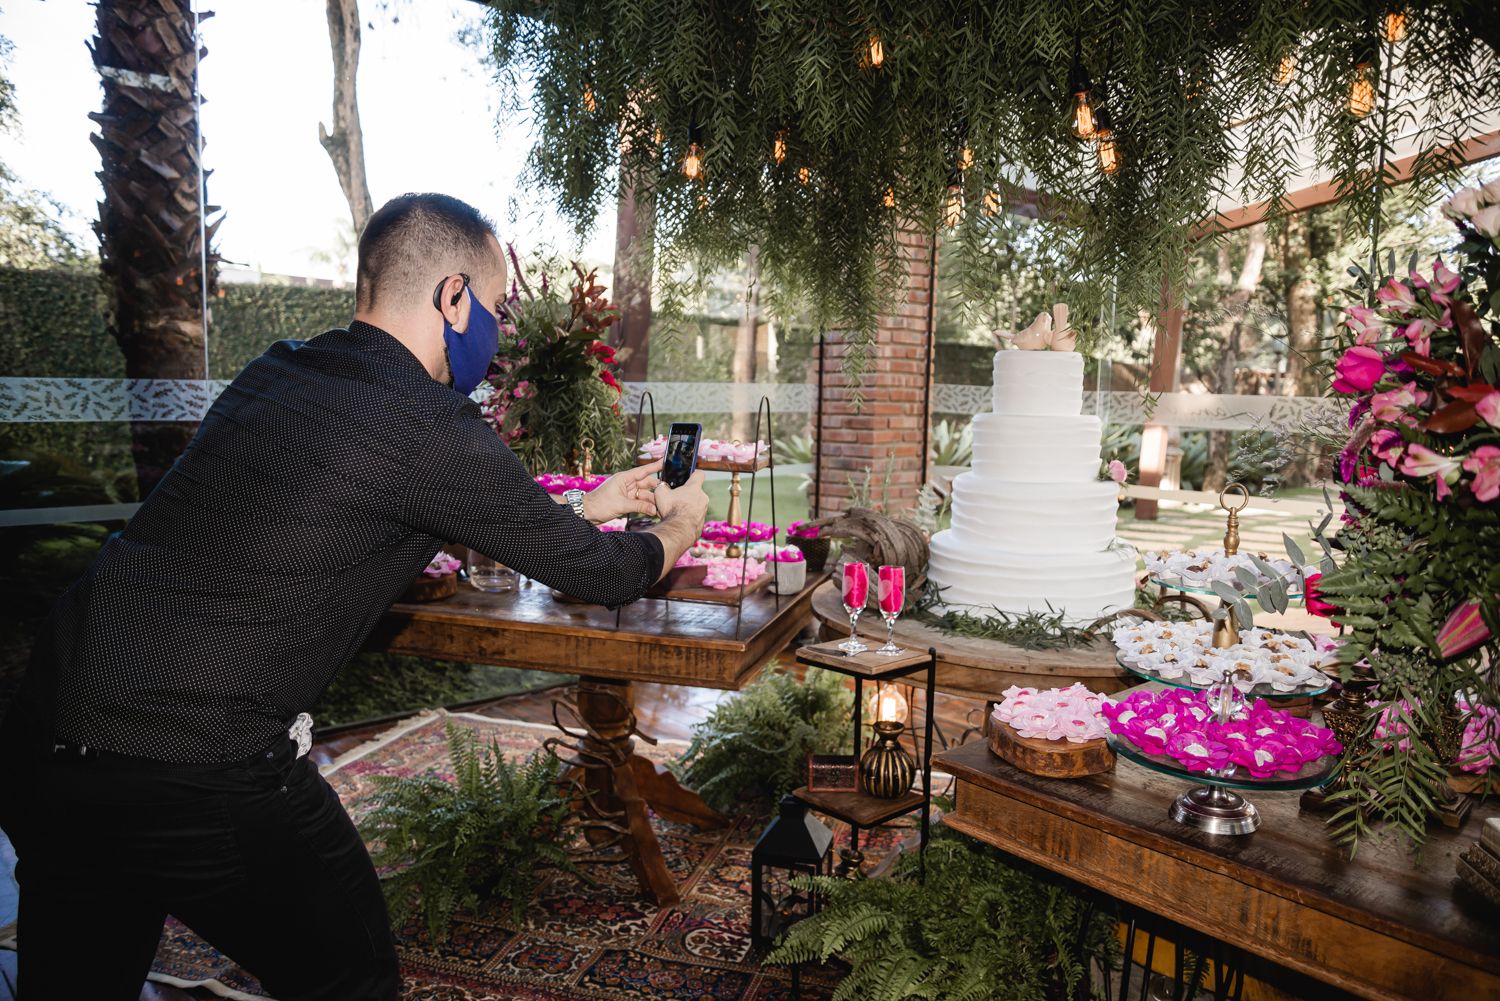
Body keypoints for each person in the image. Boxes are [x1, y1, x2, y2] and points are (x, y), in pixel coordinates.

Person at [0, 192, 710, 1000]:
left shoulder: (278, 369)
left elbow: (324, 509)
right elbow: (605, 574)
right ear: (453, 297)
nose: (498, 330)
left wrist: (583, 509)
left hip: (50, 728)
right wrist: (681, 523)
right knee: (352, 979)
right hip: (198, 759)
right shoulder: (427, 424)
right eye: (497, 307)